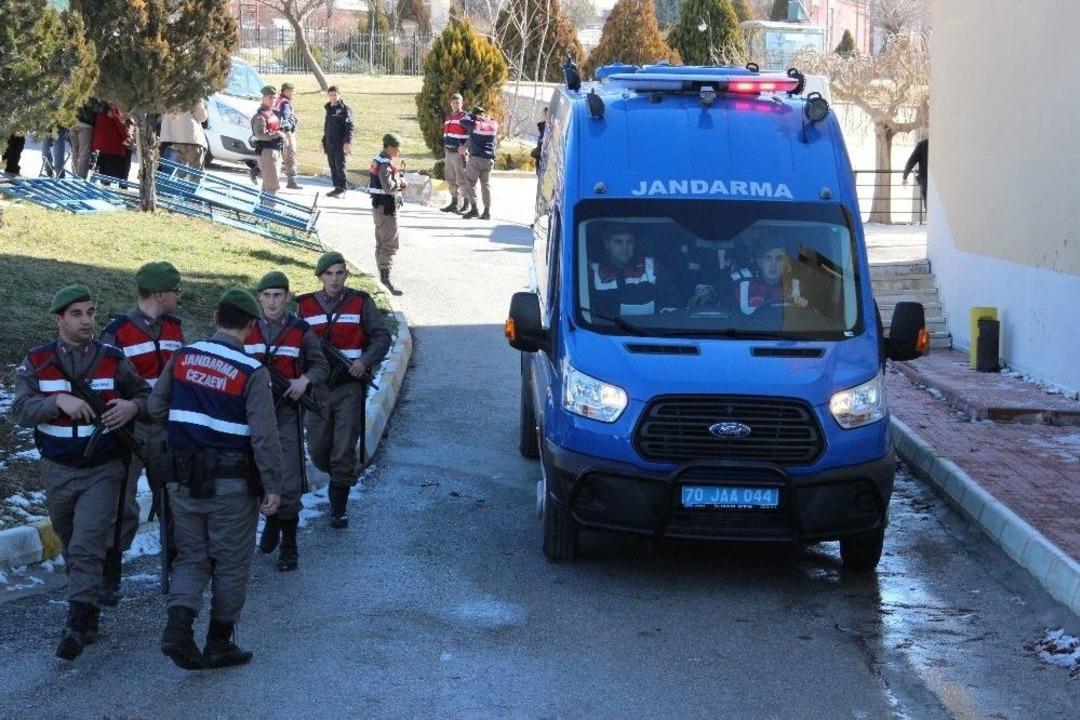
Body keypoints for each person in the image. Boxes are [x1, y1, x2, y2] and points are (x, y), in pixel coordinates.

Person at [11, 284, 150, 661]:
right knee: (71, 538)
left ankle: (75, 623)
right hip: (57, 468)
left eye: (90, 312)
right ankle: (88, 614)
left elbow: (146, 396)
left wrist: (132, 408)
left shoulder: (112, 358)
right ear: (59, 319)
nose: (87, 320)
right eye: (77, 314)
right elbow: (20, 410)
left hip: (103, 467)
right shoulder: (38, 361)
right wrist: (57, 400)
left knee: (88, 541)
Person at [150, 288, 282, 671]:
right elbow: (264, 435)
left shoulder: (182, 356)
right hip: (231, 486)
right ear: (253, 327)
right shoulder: (252, 372)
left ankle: (177, 628)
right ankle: (219, 642)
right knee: (231, 563)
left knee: (192, 556)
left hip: (184, 481)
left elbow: (157, 406)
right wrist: (272, 485)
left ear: (214, 317)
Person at [98, 261, 185, 605]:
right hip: (130, 430)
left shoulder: (176, 328)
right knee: (121, 503)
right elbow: (105, 381)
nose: (179, 296)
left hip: (167, 428)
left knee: (174, 498)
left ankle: (179, 568)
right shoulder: (117, 332)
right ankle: (110, 574)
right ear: (160, 294)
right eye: (176, 291)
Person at [296, 252, 391, 529]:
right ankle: (339, 476)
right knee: (317, 449)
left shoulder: (360, 302)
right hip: (318, 389)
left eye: (339, 273)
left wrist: (364, 361)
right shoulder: (305, 306)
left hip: (349, 385)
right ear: (320, 277)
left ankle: (338, 509)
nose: (334, 279)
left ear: (346, 275)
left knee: (343, 450)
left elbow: (382, 336)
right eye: (329, 274)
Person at [244, 271, 329, 571]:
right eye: (266, 295)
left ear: (288, 297)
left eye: (277, 295)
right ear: (259, 298)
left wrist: (303, 380)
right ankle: (271, 522)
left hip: (286, 412)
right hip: (252, 414)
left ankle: (289, 542)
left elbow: (321, 365)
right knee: (257, 471)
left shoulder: (300, 330)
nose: (271, 301)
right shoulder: (247, 328)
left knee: (289, 475)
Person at [588, 229, 663, 317]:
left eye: (629, 242)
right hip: (603, 329)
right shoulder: (592, 273)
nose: (625, 247)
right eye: (618, 242)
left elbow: (670, 304)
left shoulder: (652, 267)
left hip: (651, 328)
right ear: (607, 245)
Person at [368, 133, 407, 296]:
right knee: (390, 244)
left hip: (380, 208)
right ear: (390, 147)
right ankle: (386, 279)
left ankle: (382, 277)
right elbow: (388, 187)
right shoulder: (384, 164)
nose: (399, 152)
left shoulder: (379, 160)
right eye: (397, 148)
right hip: (387, 209)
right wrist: (401, 182)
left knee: (381, 243)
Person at [732, 244, 807, 314]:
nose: (773, 264)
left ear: (787, 263)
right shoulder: (745, 287)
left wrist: (802, 305)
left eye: (779, 258)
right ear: (759, 262)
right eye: (768, 258)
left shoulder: (797, 289)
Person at [459, 105, 498, 220]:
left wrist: (471, 115)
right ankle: (487, 211)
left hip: (476, 159)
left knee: (470, 183)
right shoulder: (492, 125)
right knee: (486, 185)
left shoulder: (473, 124)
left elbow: (463, 121)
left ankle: (474, 209)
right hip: (489, 160)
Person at [251, 85, 285, 197]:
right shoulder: (260, 116)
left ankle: (261, 211)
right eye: (270, 97)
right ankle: (269, 213)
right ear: (264, 97)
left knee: (267, 187)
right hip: (267, 152)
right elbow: (259, 134)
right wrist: (276, 134)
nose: (273, 100)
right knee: (272, 189)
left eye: (274, 97)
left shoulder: (273, 113)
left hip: (275, 152)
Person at [322, 85, 354, 198]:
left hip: (340, 143)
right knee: (333, 166)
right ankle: (337, 187)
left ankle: (342, 188)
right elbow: (327, 127)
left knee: (340, 166)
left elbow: (349, 127)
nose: (333, 97)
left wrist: (347, 142)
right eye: (330, 95)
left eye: (335, 94)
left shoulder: (345, 109)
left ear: (339, 95)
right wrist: (323, 141)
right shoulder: (329, 108)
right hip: (329, 143)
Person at [159, 102, 209, 173]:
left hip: (170, 140)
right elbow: (201, 116)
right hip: (191, 141)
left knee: (168, 179)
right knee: (192, 180)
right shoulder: (193, 92)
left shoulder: (164, 91)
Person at [439, 93, 469, 213]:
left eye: (457, 103)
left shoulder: (465, 117)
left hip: (459, 153)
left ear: (461, 103)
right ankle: (454, 203)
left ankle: (466, 204)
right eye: (453, 103)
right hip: (449, 152)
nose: (455, 105)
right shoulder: (449, 117)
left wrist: (465, 148)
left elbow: (472, 135)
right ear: (450, 104)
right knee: (450, 179)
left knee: (462, 180)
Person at [92, 104, 133, 185]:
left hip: (101, 145)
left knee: (103, 172)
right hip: (112, 146)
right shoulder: (114, 107)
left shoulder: (102, 109)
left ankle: (106, 186)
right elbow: (121, 125)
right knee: (111, 173)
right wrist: (128, 137)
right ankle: (121, 186)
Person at [275, 82, 302, 190]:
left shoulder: (279, 100)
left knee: (277, 154)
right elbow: (286, 117)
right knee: (290, 155)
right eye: (291, 91)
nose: (293, 93)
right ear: (286, 91)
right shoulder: (285, 103)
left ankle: (256, 170)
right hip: (286, 133)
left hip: (278, 131)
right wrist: (289, 131)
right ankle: (291, 181)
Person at [70, 99, 100, 179]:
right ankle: (80, 179)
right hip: (86, 123)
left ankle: (75, 175)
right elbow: (96, 107)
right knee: (84, 152)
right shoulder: (92, 89)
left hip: (72, 120)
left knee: (75, 150)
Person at [903, 137, 929, 212]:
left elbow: (911, 161)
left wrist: (905, 176)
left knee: (928, 205)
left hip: (926, 180)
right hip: (938, 181)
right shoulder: (942, 145)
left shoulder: (922, 145)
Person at [531, 106, 548, 177]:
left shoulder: (546, 130)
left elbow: (542, 148)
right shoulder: (543, 129)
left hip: (543, 167)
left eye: (542, 114)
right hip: (541, 166)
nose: (540, 116)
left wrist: (534, 152)